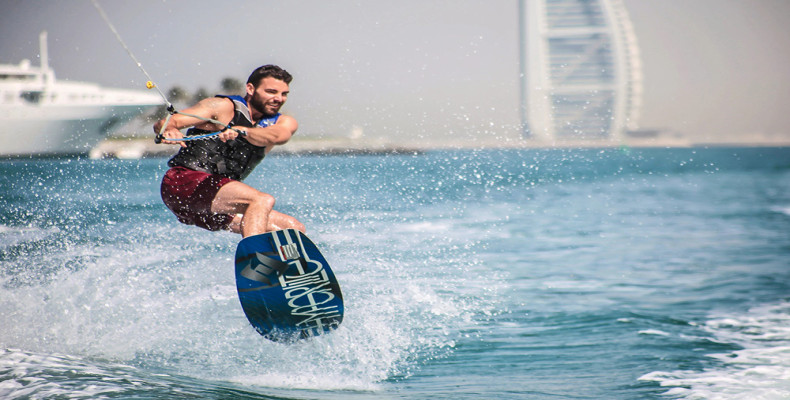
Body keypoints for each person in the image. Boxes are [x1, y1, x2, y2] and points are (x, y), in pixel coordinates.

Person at [154, 64, 305, 238]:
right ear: (250, 88)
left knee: (293, 229)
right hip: (182, 185)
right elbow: (167, 122)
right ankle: (254, 253)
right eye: (271, 92)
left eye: (284, 94)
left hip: (214, 203)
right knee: (261, 200)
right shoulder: (222, 108)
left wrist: (244, 131)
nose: (279, 98)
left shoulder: (282, 123)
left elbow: (279, 135)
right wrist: (168, 129)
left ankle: (275, 264)